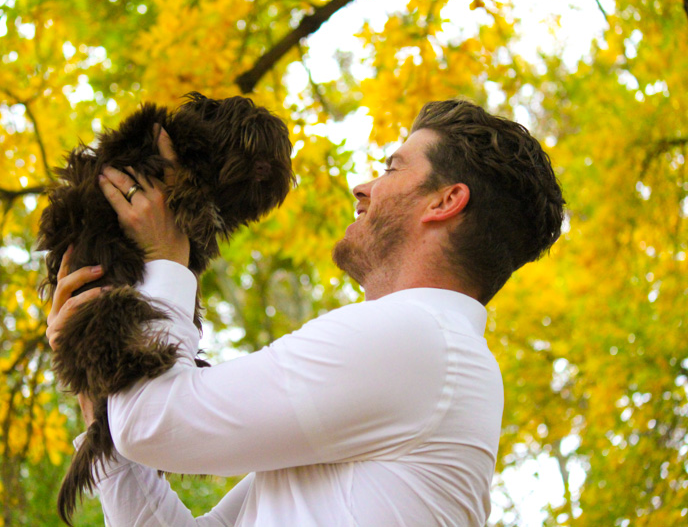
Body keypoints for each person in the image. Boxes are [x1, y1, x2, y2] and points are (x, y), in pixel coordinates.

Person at [46, 99, 565, 526]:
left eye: (392, 167)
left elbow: (154, 425)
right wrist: (97, 393)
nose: (362, 187)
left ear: (445, 201)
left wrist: (164, 260)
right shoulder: (412, 364)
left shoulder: (418, 338)